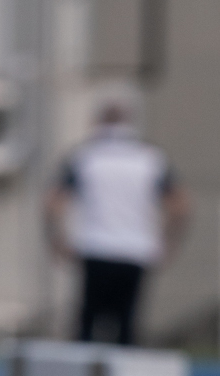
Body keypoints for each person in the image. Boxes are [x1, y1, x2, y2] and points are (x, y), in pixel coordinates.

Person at [47, 97, 189, 346]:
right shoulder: (150, 158)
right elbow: (179, 205)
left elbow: (53, 203)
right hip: (135, 249)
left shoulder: (85, 156)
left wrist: (56, 239)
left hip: (95, 247)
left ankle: (88, 368)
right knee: (126, 324)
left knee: (88, 323)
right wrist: (169, 242)